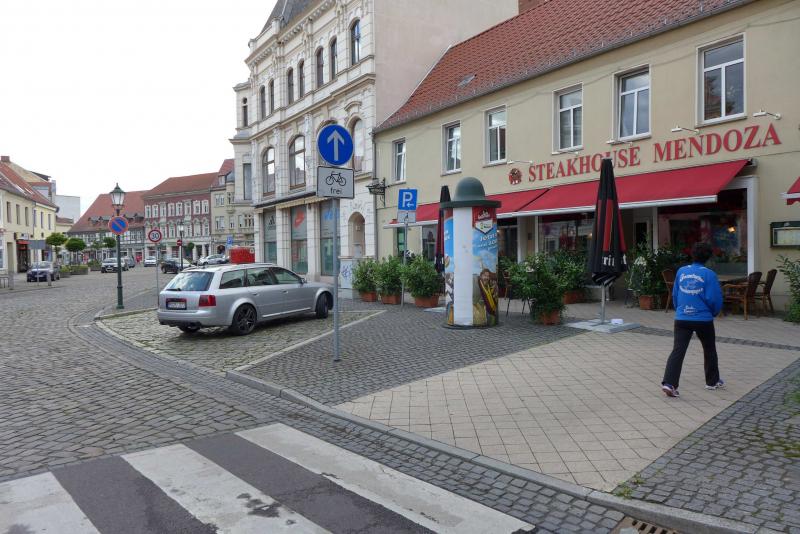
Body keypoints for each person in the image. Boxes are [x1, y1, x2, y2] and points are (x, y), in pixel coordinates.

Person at [661, 242, 724, 398]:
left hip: (682, 318)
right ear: (708, 257)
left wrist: (680, 310)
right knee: (709, 349)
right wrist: (713, 313)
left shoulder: (681, 271)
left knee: (678, 350)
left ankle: (669, 383)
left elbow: (675, 294)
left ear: (692, 254)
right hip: (703, 319)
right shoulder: (709, 274)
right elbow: (714, 299)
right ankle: (712, 382)